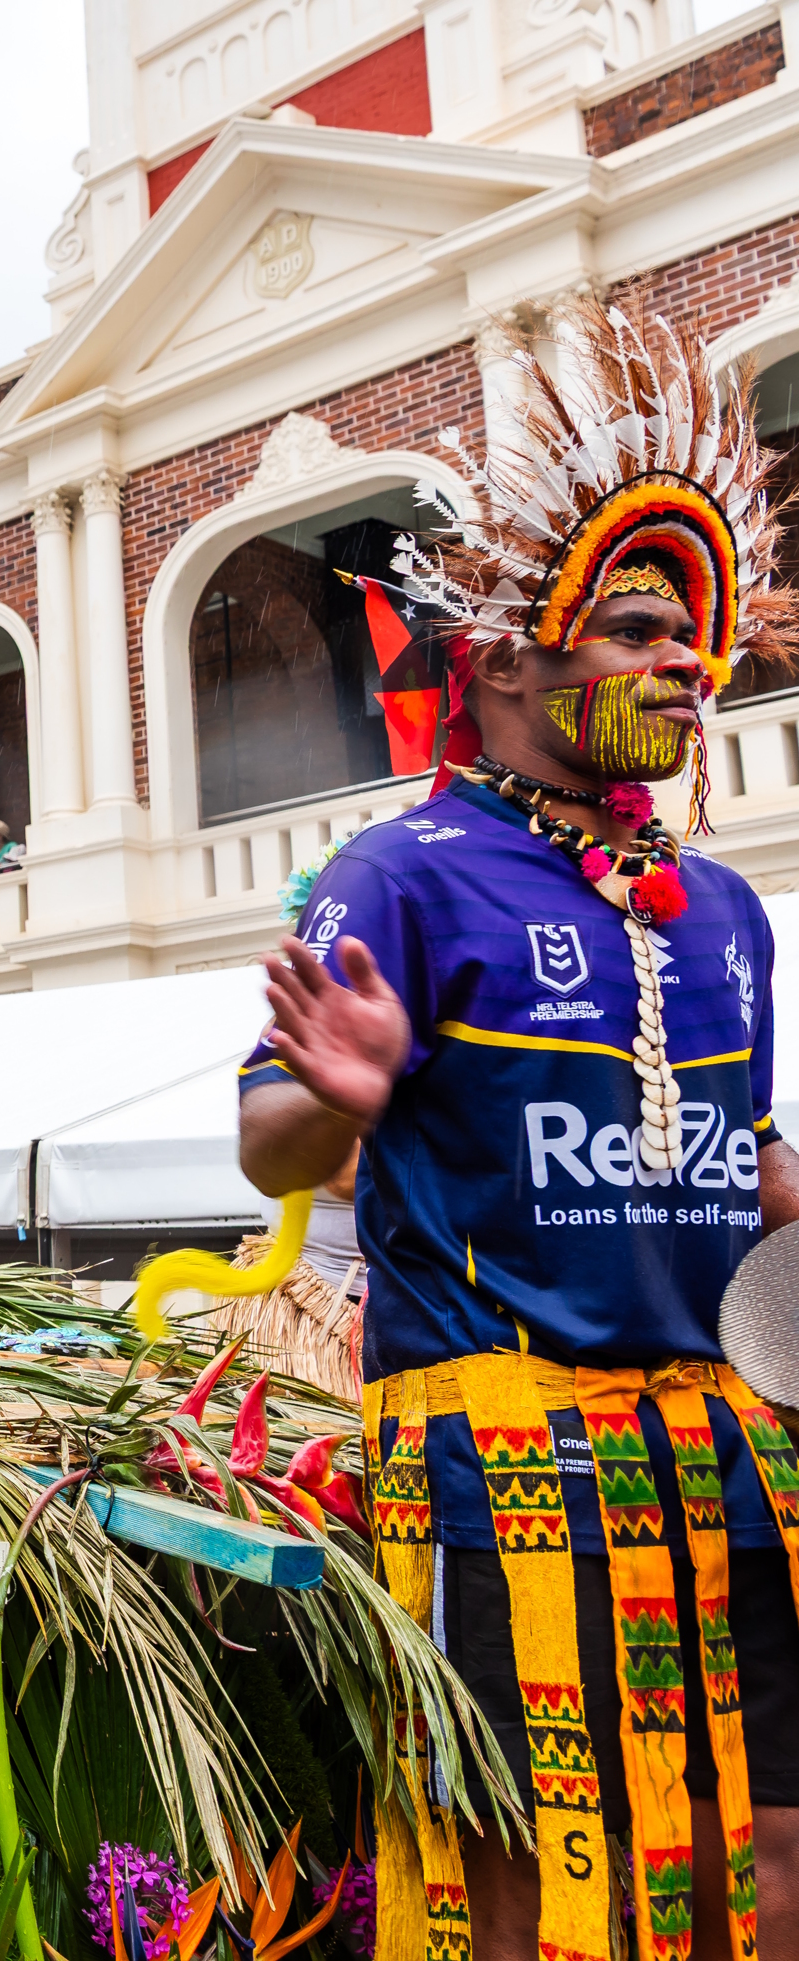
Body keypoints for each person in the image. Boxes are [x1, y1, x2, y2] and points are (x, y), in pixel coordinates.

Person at [237, 300, 799, 1961]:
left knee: (769, 1839)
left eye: (694, 630)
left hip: (728, 1447)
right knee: (525, 1870)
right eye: (635, 626)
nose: (686, 661)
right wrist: (336, 1099)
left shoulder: (727, 909)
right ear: (502, 662)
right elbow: (269, 1145)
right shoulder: (396, 877)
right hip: (505, 1462)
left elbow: (748, 1170)